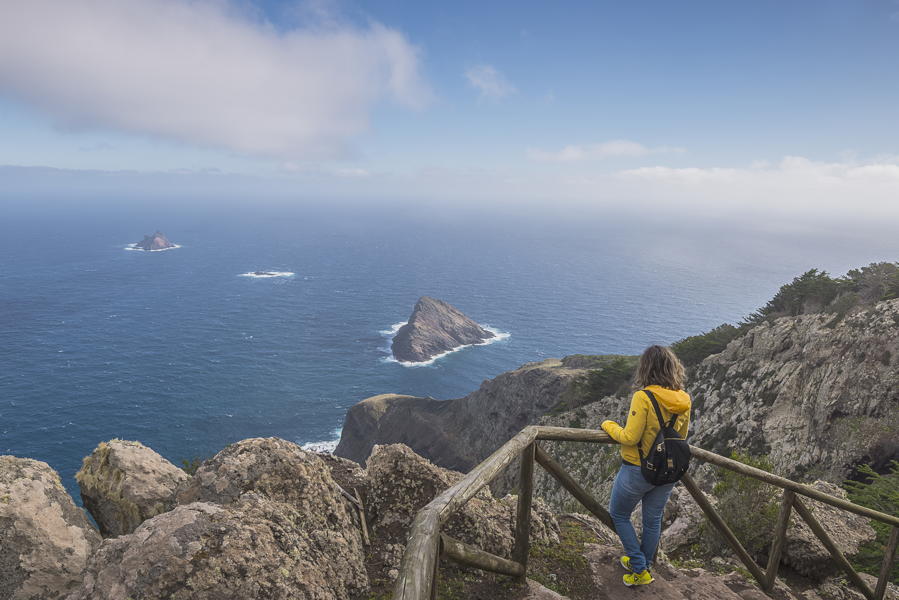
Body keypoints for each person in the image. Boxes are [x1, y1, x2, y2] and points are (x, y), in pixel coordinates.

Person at [600, 345, 691, 587]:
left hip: (637, 469)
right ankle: (643, 565)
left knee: (619, 515)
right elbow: (680, 435)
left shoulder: (643, 397)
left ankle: (639, 568)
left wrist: (608, 424)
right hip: (668, 471)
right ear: (672, 368)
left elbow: (630, 437)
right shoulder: (684, 399)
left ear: (646, 368)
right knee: (653, 521)